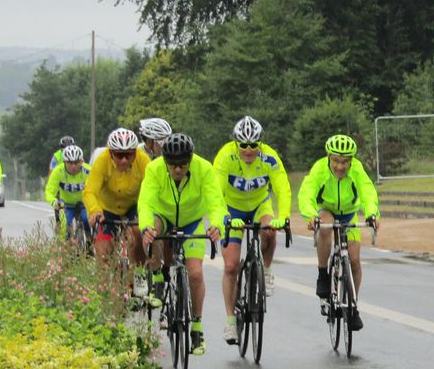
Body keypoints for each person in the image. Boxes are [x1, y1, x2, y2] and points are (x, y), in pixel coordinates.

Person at [139, 132, 226, 356]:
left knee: (195, 273)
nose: (178, 169)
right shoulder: (154, 169)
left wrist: (217, 225)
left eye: (183, 164)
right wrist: (145, 226)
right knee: (152, 231)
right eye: (173, 165)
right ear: (165, 161)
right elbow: (146, 201)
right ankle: (157, 276)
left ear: (191, 159)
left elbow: (216, 201)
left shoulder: (204, 168)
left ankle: (197, 327)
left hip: (192, 221)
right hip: (164, 215)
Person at [214, 115, 292, 344]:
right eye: (243, 145)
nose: (248, 150)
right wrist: (225, 218)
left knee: (269, 230)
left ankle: (266, 271)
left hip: (259, 205)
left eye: (253, 145)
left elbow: (282, 187)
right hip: (232, 209)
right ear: (236, 143)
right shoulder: (225, 156)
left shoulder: (270, 157)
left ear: (261, 143)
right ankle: (230, 322)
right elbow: (215, 193)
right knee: (230, 266)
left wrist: (284, 216)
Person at [297, 134, 379, 331]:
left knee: (354, 259)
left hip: (349, 214)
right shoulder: (319, 169)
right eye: (336, 161)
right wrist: (310, 215)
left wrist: (372, 214)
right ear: (329, 158)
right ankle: (323, 275)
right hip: (326, 209)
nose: (340, 167)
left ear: (351, 160)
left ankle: (352, 306)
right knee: (326, 223)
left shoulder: (357, 169)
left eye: (345, 162)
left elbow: (368, 192)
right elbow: (306, 193)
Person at [83, 127, 151, 297]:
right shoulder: (102, 161)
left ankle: (140, 276)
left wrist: (147, 214)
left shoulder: (143, 160)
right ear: (110, 153)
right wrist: (94, 211)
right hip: (107, 209)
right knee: (103, 251)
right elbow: (90, 191)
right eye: (118, 155)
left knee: (138, 232)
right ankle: (106, 292)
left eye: (128, 154)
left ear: (135, 153)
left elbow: (152, 189)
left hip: (133, 206)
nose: (123, 160)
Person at [44, 144, 90, 241]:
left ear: (81, 161)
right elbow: (49, 191)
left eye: (76, 163)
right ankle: (66, 249)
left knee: (87, 220)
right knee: (65, 225)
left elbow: (98, 188)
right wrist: (54, 202)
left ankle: (90, 244)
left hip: (84, 203)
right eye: (70, 163)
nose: (73, 166)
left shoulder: (88, 170)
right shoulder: (58, 171)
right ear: (64, 162)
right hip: (66, 204)